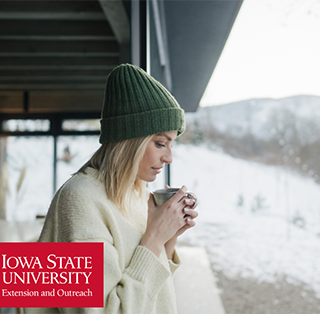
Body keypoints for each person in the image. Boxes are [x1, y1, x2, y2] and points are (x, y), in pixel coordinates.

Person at [25, 64, 198, 314]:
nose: (169, 157)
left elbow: (152, 295)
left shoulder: (137, 193)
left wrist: (168, 237)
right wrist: (154, 237)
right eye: (161, 143)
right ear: (131, 140)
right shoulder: (79, 201)